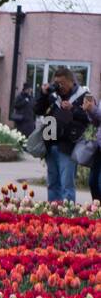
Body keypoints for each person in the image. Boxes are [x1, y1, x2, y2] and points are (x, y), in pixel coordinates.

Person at [35, 65, 91, 203]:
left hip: (67, 146)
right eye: (57, 83)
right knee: (52, 183)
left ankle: (67, 216)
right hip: (50, 142)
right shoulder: (53, 95)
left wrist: (72, 109)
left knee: (67, 184)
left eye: (62, 83)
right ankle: (53, 213)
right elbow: (37, 110)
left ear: (71, 81)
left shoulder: (83, 95)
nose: (60, 86)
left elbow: (88, 118)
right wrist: (43, 94)